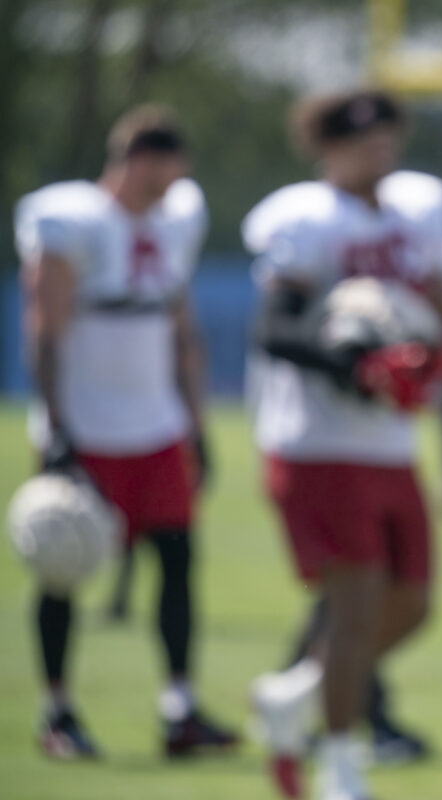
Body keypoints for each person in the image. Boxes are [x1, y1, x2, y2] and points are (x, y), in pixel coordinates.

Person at [242, 89, 442, 800]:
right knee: (356, 606)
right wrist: (355, 364)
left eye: (387, 139)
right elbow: (275, 329)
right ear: (326, 148)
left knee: (415, 603)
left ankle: (299, 694)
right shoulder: (303, 218)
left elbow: (433, 305)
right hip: (318, 441)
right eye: (364, 143)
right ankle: (336, 763)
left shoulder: (412, 213)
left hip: (389, 442)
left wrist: (432, 352)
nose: (380, 153)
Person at [14, 104, 238, 760]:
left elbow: (181, 324)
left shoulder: (172, 222)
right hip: (87, 425)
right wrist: (56, 428)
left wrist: (195, 423)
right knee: (63, 567)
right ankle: (57, 711)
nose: (177, 182)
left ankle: (180, 708)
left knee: (177, 563)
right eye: (169, 167)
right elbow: (44, 328)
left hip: (156, 424)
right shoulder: (74, 221)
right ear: (140, 160)